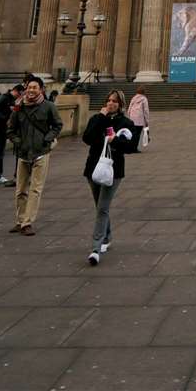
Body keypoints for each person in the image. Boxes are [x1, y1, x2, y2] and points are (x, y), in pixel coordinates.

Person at [81, 90, 140, 265]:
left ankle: (95, 248)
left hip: (113, 171)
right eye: (108, 100)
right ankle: (106, 237)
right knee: (100, 205)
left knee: (102, 208)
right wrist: (100, 117)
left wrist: (115, 140)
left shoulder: (126, 123)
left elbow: (130, 147)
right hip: (93, 169)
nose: (110, 103)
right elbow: (87, 138)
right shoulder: (97, 119)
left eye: (114, 101)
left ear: (120, 104)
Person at [7, 75, 62, 235]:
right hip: (23, 153)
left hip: (41, 152)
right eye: (29, 87)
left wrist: (47, 139)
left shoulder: (49, 106)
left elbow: (57, 125)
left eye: (34, 87)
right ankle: (19, 220)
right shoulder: (18, 107)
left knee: (35, 189)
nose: (31, 90)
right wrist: (18, 141)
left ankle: (27, 222)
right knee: (20, 190)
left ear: (41, 89)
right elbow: (10, 129)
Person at [127, 86, 151, 150]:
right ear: (144, 92)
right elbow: (146, 110)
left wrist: (129, 117)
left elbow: (129, 109)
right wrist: (147, 120)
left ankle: (131, 147)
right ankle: (135, 148)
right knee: (137, 134)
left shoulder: (133, 98)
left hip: (132, 118)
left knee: (133, 133)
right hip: (139, 119)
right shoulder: (144, 99)